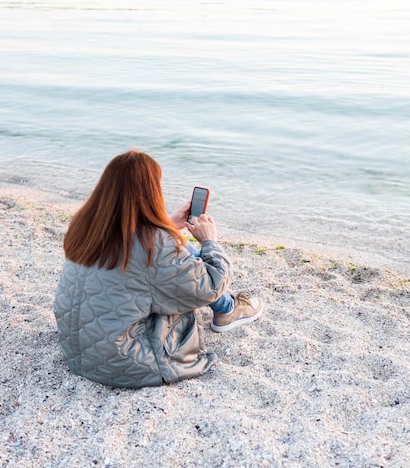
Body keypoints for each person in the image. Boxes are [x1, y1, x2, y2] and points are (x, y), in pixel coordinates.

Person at [52, 150, 265, 388]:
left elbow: (132, 247)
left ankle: (227, 308)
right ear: (151, 191)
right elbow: (209, 287)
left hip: (77, 351)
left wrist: (168, 226)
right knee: (186, 269)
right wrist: (209, 242)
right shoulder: (153, 244)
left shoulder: (86, 226)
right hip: (124, 361)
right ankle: (228, 310)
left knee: (177, 250)